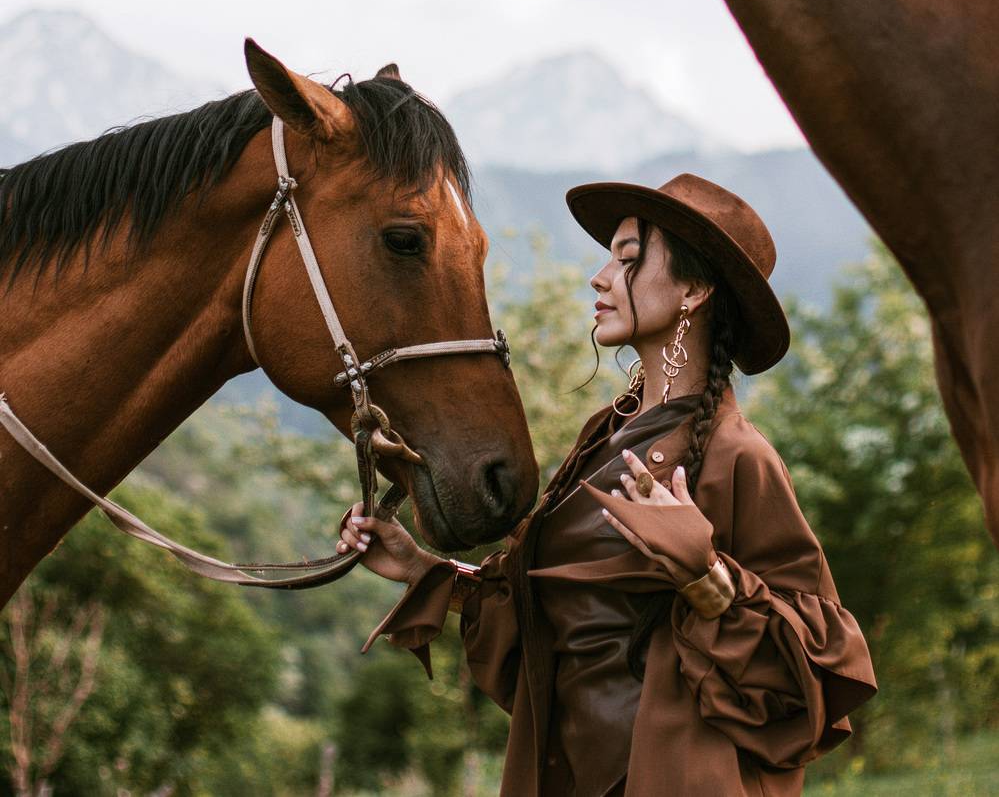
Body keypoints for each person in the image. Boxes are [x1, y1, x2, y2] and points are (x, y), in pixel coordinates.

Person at [338, 174, 877, 796]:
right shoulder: (605, 434)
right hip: (567, 773)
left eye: (627, 259)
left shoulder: (737, 456)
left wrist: (708, 580)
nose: (599, 277)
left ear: (695, 291)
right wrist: (427, 571)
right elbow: (562, 616)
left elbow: (815, 670)